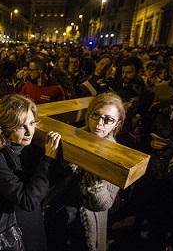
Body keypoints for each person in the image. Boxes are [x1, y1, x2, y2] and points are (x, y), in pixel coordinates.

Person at [0, 94, 62, 251]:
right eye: (20, 126)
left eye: (31, 123)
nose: (29, 131)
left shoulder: (30, 147)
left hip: (32, 224)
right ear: (6, 126)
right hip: (10, 231)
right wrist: (48, 160)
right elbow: (27, 201)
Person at [45, 92, 125, 251]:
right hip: (56, 212)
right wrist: (52, 158)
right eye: (96, 115)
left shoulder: (116, 155)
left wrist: (95, 179)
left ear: (116, 124)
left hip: (84, 222)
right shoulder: (72, 138)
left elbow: (103, 204)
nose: (99, 123)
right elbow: (52, 179)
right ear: (88, 115)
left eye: (108, 119)